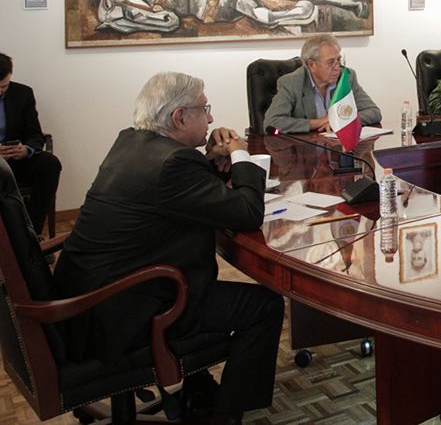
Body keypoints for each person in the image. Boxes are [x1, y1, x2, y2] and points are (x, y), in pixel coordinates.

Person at [53, 72, 284, 424]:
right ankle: (226, 415)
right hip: (123, 311)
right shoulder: (174, 163)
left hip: (89, 297)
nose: (210, 118)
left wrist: (210, 159)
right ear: (179, 117)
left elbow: (173, 198)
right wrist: (241, 156)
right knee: (264, 306)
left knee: (214, 289)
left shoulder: (133, 142)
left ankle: (199, 391)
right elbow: (248, 214)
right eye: (204, 110)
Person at [264, 34, 381, 133]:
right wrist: (318, 123)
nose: (337, 68)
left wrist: (338, 121)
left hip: (338, 150)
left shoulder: (347, 77)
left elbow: (373, 112)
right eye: (330, 62)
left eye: (338, 60)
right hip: (305, 152)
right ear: (311, 65)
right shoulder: (291, 83)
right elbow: (272, 122)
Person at [0, 53, 61, 236]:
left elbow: (35, 134)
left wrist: (26, 150)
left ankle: (32, 233)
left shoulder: (23, 94)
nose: (0, 91)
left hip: (16, 158)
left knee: (50, 164)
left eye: (4, 86)